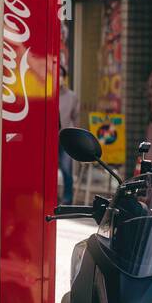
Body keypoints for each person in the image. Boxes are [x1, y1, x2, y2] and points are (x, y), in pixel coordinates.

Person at [58, 63, 81, 205]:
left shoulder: (72, 96)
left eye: (61, 75)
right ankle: (51, 197)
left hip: (65, 138)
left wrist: (76, 138)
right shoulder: (47, 93)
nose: (59, 78)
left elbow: (76, 117)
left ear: (64, 78)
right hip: (49, 138)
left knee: (67, 169)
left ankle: (67, 199)